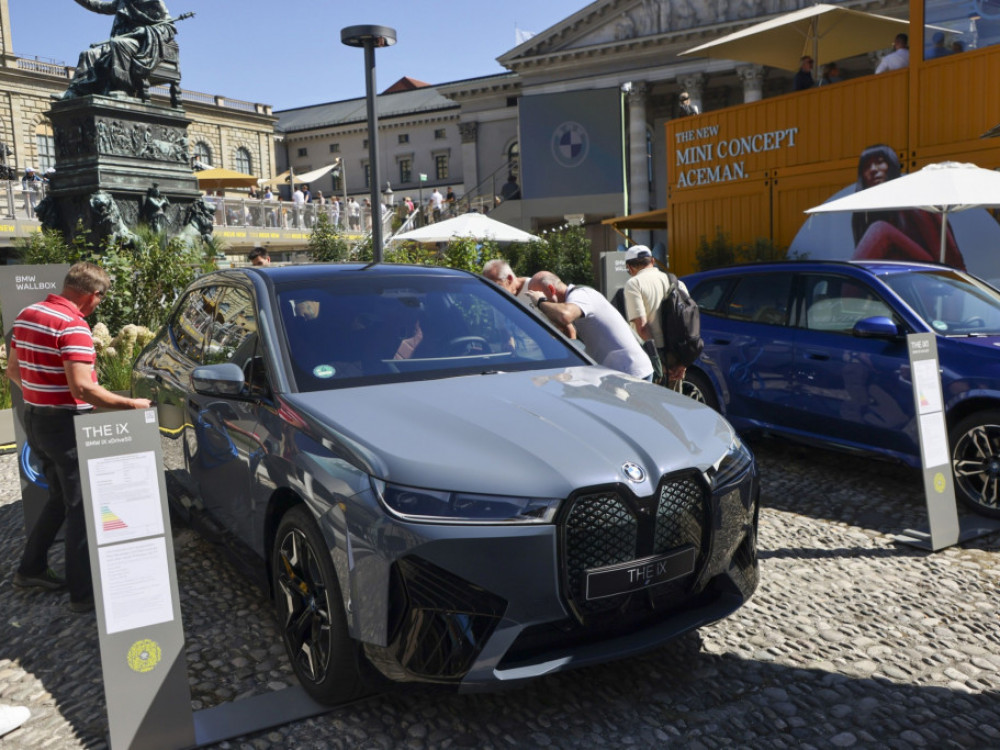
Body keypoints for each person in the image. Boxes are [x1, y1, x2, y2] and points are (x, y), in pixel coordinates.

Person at [7, 262, 151, 613]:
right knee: (83, 509)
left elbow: (12, 370)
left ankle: (31, 568)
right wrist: (132, 404)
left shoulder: (28, 313)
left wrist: (43, 394)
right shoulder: (74, 326)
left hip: (37, 420)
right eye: (100, 299)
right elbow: (83, 388)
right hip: (67, 427)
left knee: (59, 498)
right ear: (92, 295)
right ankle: (84, 595)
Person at [850, 144, 965, 269]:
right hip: (896, 276)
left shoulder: (915, 202)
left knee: (880, 229)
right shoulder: (865, 214)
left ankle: (847, 284)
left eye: (880, 162)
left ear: (892, 166)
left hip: (933, 272)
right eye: (867, 166)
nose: (873, 169)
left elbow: (948, 255)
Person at [527, 271, 653, 381]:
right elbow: (569, 334)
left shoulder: (581, 295)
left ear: (551, 289)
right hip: (620, 372)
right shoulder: (573, 300)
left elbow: (565, 315)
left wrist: (540, 302)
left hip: (631, 371)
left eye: (542, 296)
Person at [60, 0, 176, 100]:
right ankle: (75, 91)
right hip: (123, 42)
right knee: (88, 54)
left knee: (118, 44)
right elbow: (99, 6)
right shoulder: (123, 2)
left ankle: (124, 89)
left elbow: (169, 27)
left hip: (143, 44)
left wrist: (144, 31)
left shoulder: (153, 1)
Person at [623, 245, 671, 386]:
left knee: (650, 405)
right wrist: (682, 364)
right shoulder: (673, 280)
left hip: (652, 355)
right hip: (676, 354)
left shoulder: (634, 283)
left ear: (629, 267)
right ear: (653, 261)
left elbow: (642, 327)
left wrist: (656, 363)